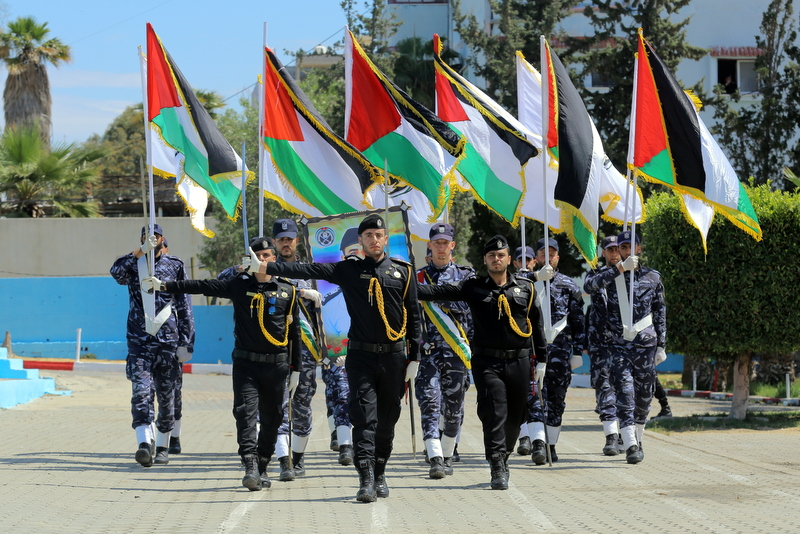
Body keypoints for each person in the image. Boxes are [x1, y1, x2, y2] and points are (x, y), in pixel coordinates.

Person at [264, 214, 422, 503]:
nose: (374, 240)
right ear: (360, 242)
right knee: (364, 419)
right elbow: (306, 267)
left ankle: (380, 470)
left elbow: (414, 316)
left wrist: (415, 358)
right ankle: (366, 478)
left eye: (379, 235)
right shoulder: (349, 270)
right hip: (360, 357)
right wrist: (266, 266)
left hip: (394, 359)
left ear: (386, 239)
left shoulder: (404, 272)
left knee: (387, 421)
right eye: (369, 236)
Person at [142, 236, 301, 490]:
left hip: (276, 366)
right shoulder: (239, 285)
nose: (262, 260)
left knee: (273, 419)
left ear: (274, 259)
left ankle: (262, 465)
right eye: (257, 256)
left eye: (267, 256)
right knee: (245, 415)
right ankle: (249, 465)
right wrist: (164, 286)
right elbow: (202, 286)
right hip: (246, 364)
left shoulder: (287, 291)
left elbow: (295, 335)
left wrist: (297, 369)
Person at [417, 235, 547, 490]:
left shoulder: (526, 289)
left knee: (515, 416)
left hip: (519, 362)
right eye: (491, 256)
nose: (496, 259)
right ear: (485, 260)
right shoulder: (474, 287)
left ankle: (505, 451)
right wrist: (401, 284)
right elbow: (437, 291)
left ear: (509, 259)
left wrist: (541, 359)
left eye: (501, 255)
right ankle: (497, 464)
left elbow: (537, 325)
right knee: (494, 411)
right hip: (487, 362)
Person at [110, 224, 194, 467]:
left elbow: (184, 304)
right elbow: (116, 273)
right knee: (141, 392)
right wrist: (139, 252)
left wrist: (186, 342)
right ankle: (144, 443)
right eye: (148, 238)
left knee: (167, 397)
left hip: (168, 341)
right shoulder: (133, 265)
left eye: (156, 237)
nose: (153, 241)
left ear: (163, 238)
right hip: (139, 341)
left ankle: (164, 444)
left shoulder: (174, 265)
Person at [583, 231, 666, 464]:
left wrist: (662, 344)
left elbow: (660, 312)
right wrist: (619, 269)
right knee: (625, 393)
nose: (626, 251)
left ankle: (637, 439)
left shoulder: (652, 277)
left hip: (646, 345)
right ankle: (629, 444)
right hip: (617, 346)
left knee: (644, 396)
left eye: (632, 246)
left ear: (639, 249)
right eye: (622, 247)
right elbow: (590, 286)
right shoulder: (609, 277)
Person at [269, 219, 327, 481]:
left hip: (305, 350)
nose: (285, 243)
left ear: (297, 241)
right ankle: (284, 460)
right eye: (281, 239)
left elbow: (329, 308)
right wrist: (301, 292)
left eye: (289, 238)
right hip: (276, 348)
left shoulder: (312, 271)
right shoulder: (266, 271)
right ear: (274, 242)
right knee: (278, 405)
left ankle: (299, 457)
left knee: (302, 404)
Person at [415, 223, 474, 479]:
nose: (440, 247)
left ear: (452, 246)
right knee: (429, 404)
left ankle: (448, 454)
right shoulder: (416, 278)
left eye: (444, 243)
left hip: (457, 353)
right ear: (429, 245)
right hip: (426, 353)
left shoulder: (466, 277)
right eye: (436, 243)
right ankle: (436, 458)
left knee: (453, 410)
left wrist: (437, 294)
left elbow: (470, 309)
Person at [523, 238, 586, 464]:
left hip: (559, 352)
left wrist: (578, 351)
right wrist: (536, 277)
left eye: (552, 253)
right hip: (531, 351)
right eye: (543, 253)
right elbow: (511, 285)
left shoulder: (569, 285)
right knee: (533, 399)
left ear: (558, 257)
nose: (547, 257)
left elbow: (579, 321)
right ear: (537, 258)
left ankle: (550, 444)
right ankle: (538, 443)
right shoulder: (525, 281)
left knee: (557, 400)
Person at [584, 235, 623, 456]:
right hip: (600, 344)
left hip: (625, 344)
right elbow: (590, 286)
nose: (615, 253)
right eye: (610, 250)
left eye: (618, 249)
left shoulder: (633, 276)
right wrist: (618, 270)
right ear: (604, 253)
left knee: (624, 391)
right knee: (604, 389)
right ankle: (611, 436)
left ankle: (627, 436)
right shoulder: (595, 274)